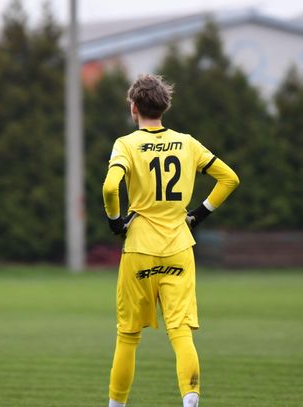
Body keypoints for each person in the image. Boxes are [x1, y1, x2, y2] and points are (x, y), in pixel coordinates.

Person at [102, 73, 239, 407]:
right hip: (179, 247)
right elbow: (229, 178)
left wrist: (115, 221)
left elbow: (109, 187)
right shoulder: (187, 143)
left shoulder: (126, 144)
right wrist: (198, 215)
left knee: (128, 335)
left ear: (134, 108)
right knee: (180, 332)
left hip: (139, 250)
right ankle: (190, 400)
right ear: (165, 107)